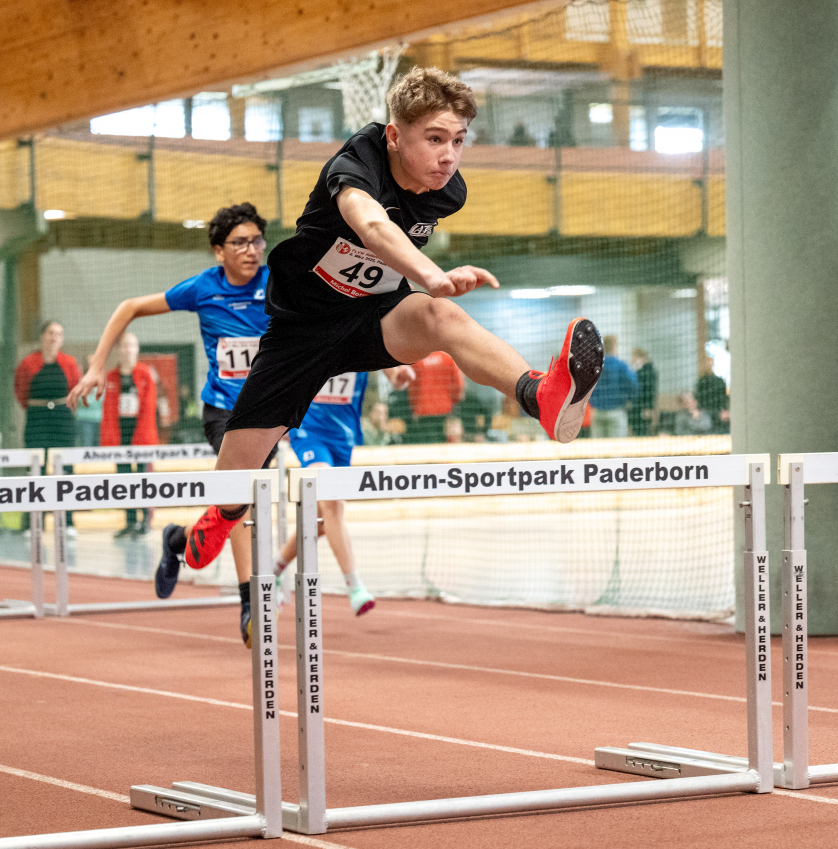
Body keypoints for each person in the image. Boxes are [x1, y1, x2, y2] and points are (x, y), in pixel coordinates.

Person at [84, 67, 605, 645]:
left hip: (369, 319)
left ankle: (541, 393)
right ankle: (204, 530)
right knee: (234, 486)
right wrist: (432, 273)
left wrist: (423, 298)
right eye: (434, 138)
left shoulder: (446, 192)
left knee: (442, 319)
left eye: (458, 141)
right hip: (300, 335)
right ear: (393, 135)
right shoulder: (354, 164)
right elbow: (373, 225)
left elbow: (396, 262)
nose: (449, 156)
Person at [67, 203, 273, 645]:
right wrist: (97, 367)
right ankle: (248, 603)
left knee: (241, 503)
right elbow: (129, 307)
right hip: (224, 412)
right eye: (240, 242)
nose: (252, 250)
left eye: (258, 240)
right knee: (242, 499)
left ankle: (178, 541)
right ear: (219, 251)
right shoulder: (203, 288)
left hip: (270, 414)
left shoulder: (277, 284)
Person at [273, 366, 414, 619]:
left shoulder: (360, 331)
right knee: (332, 502)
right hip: (308, 429)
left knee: (322, 520)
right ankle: (355, 586)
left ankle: (273, 569)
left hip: (343, 435)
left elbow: (391, 369)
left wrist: (399, 376)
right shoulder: (309, 330)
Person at [14, 320, 81, 534]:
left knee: (67, 471)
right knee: (35, 471)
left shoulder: (69, 363)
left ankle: (68, 522)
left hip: (62, 421)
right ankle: (34, 523)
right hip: (37, 421)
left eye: (59, 334)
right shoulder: (28, 364)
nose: (54, 338)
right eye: (51, 333)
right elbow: (21, 392)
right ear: (42, 336)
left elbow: (75, 388)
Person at [101, 333, 158, 538]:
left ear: (137, 349)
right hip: (120, 435)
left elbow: (150, 408)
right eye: (124, 346)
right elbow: (107, 409)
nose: (128, 350)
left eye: (132, 346)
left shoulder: (145, 374)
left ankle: (146, 521)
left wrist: (142, 437)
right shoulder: (111, 377)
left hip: (141, 434)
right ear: (119, 350)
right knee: (124, 480)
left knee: (143, 479)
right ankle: (130, 521)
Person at [406, 350, 464, 443]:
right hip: (444, 410)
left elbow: (412, 387)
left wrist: (413, 407)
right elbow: (457, 385)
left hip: (423, 411)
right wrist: (453, 402)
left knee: (426, 446)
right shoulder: (448, 358)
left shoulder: (416, 358)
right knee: (443, 445)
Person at [589, 335, 636, 438]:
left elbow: (586, 387)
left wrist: (593, 402)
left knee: (598, 451)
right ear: (615, 346)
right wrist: (629, 399)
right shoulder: (621, 366)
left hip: (598, 413)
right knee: (616, 451)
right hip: (616, 412)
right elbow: (633, 385)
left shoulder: (595, 366)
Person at [695, 356, 730, 434]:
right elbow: (698, 397)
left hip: (718, 411)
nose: (709, 363)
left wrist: (724, 410)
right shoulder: (701, 381)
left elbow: (723, 397)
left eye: (710, 361)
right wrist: (699, 411)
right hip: (705, 412)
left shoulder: (719, 381)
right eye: (707, 362)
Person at [628, 347, 658, 436]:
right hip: (637, 407)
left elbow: (650, 390)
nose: (632, 359)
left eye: (633, 357)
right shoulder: (639, 370)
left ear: (638, 357)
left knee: (643, 432)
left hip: (643, 407)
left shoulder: (648, 371)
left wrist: (648, 407)